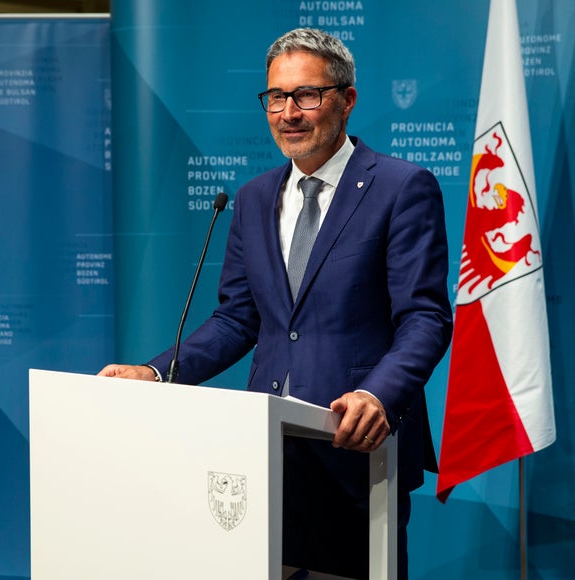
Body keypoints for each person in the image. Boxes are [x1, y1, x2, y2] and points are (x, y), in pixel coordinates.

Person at [99, 27, 452, 579]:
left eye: (306, 95)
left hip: (354, 447)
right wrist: (157, 372)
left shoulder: (401, 187)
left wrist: (378, 394)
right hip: (262, 451)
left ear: (347, 100)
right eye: (276, 97)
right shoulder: (253, 198)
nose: (289, 112)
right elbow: (238, 319)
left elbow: (425, 317)